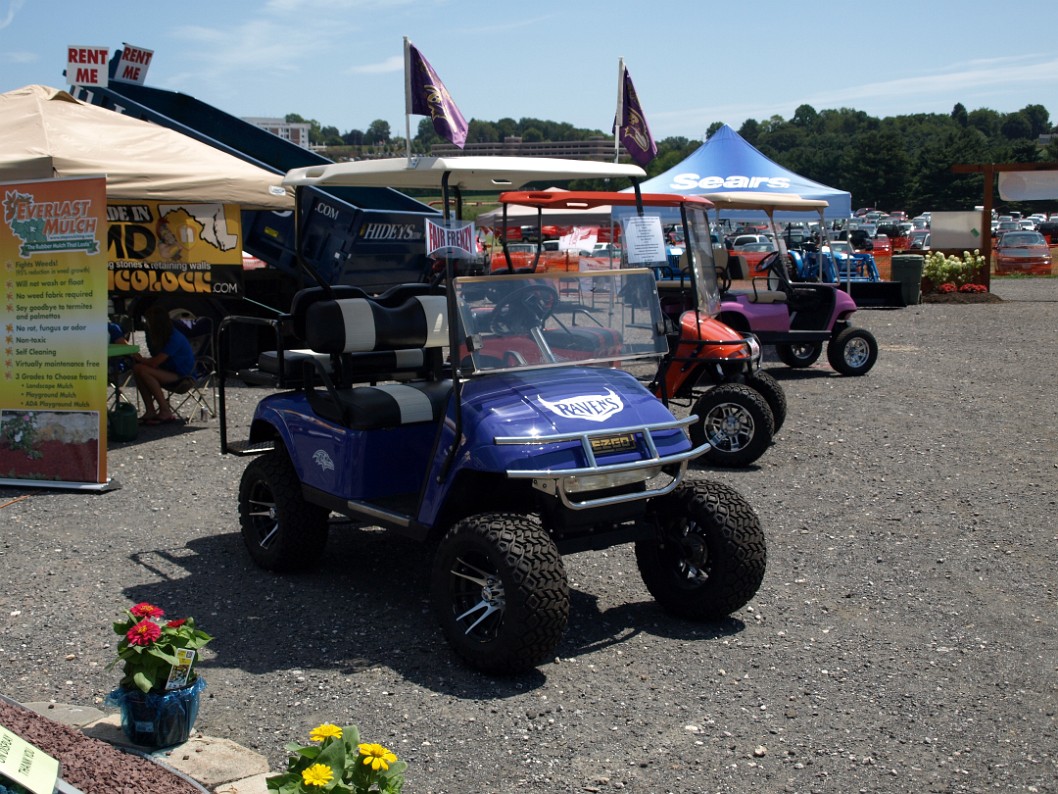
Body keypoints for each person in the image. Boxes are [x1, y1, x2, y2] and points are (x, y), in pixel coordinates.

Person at [131, 305, 195, 425]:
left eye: (148, 322)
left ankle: (165, 411)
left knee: (142, 369)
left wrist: (141, 358)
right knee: (137, 369)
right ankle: (150, 410)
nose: (147, 325)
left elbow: (156, 362)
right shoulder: (160, 337)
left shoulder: (174, 338)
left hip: (183, 376)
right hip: (169, 371)